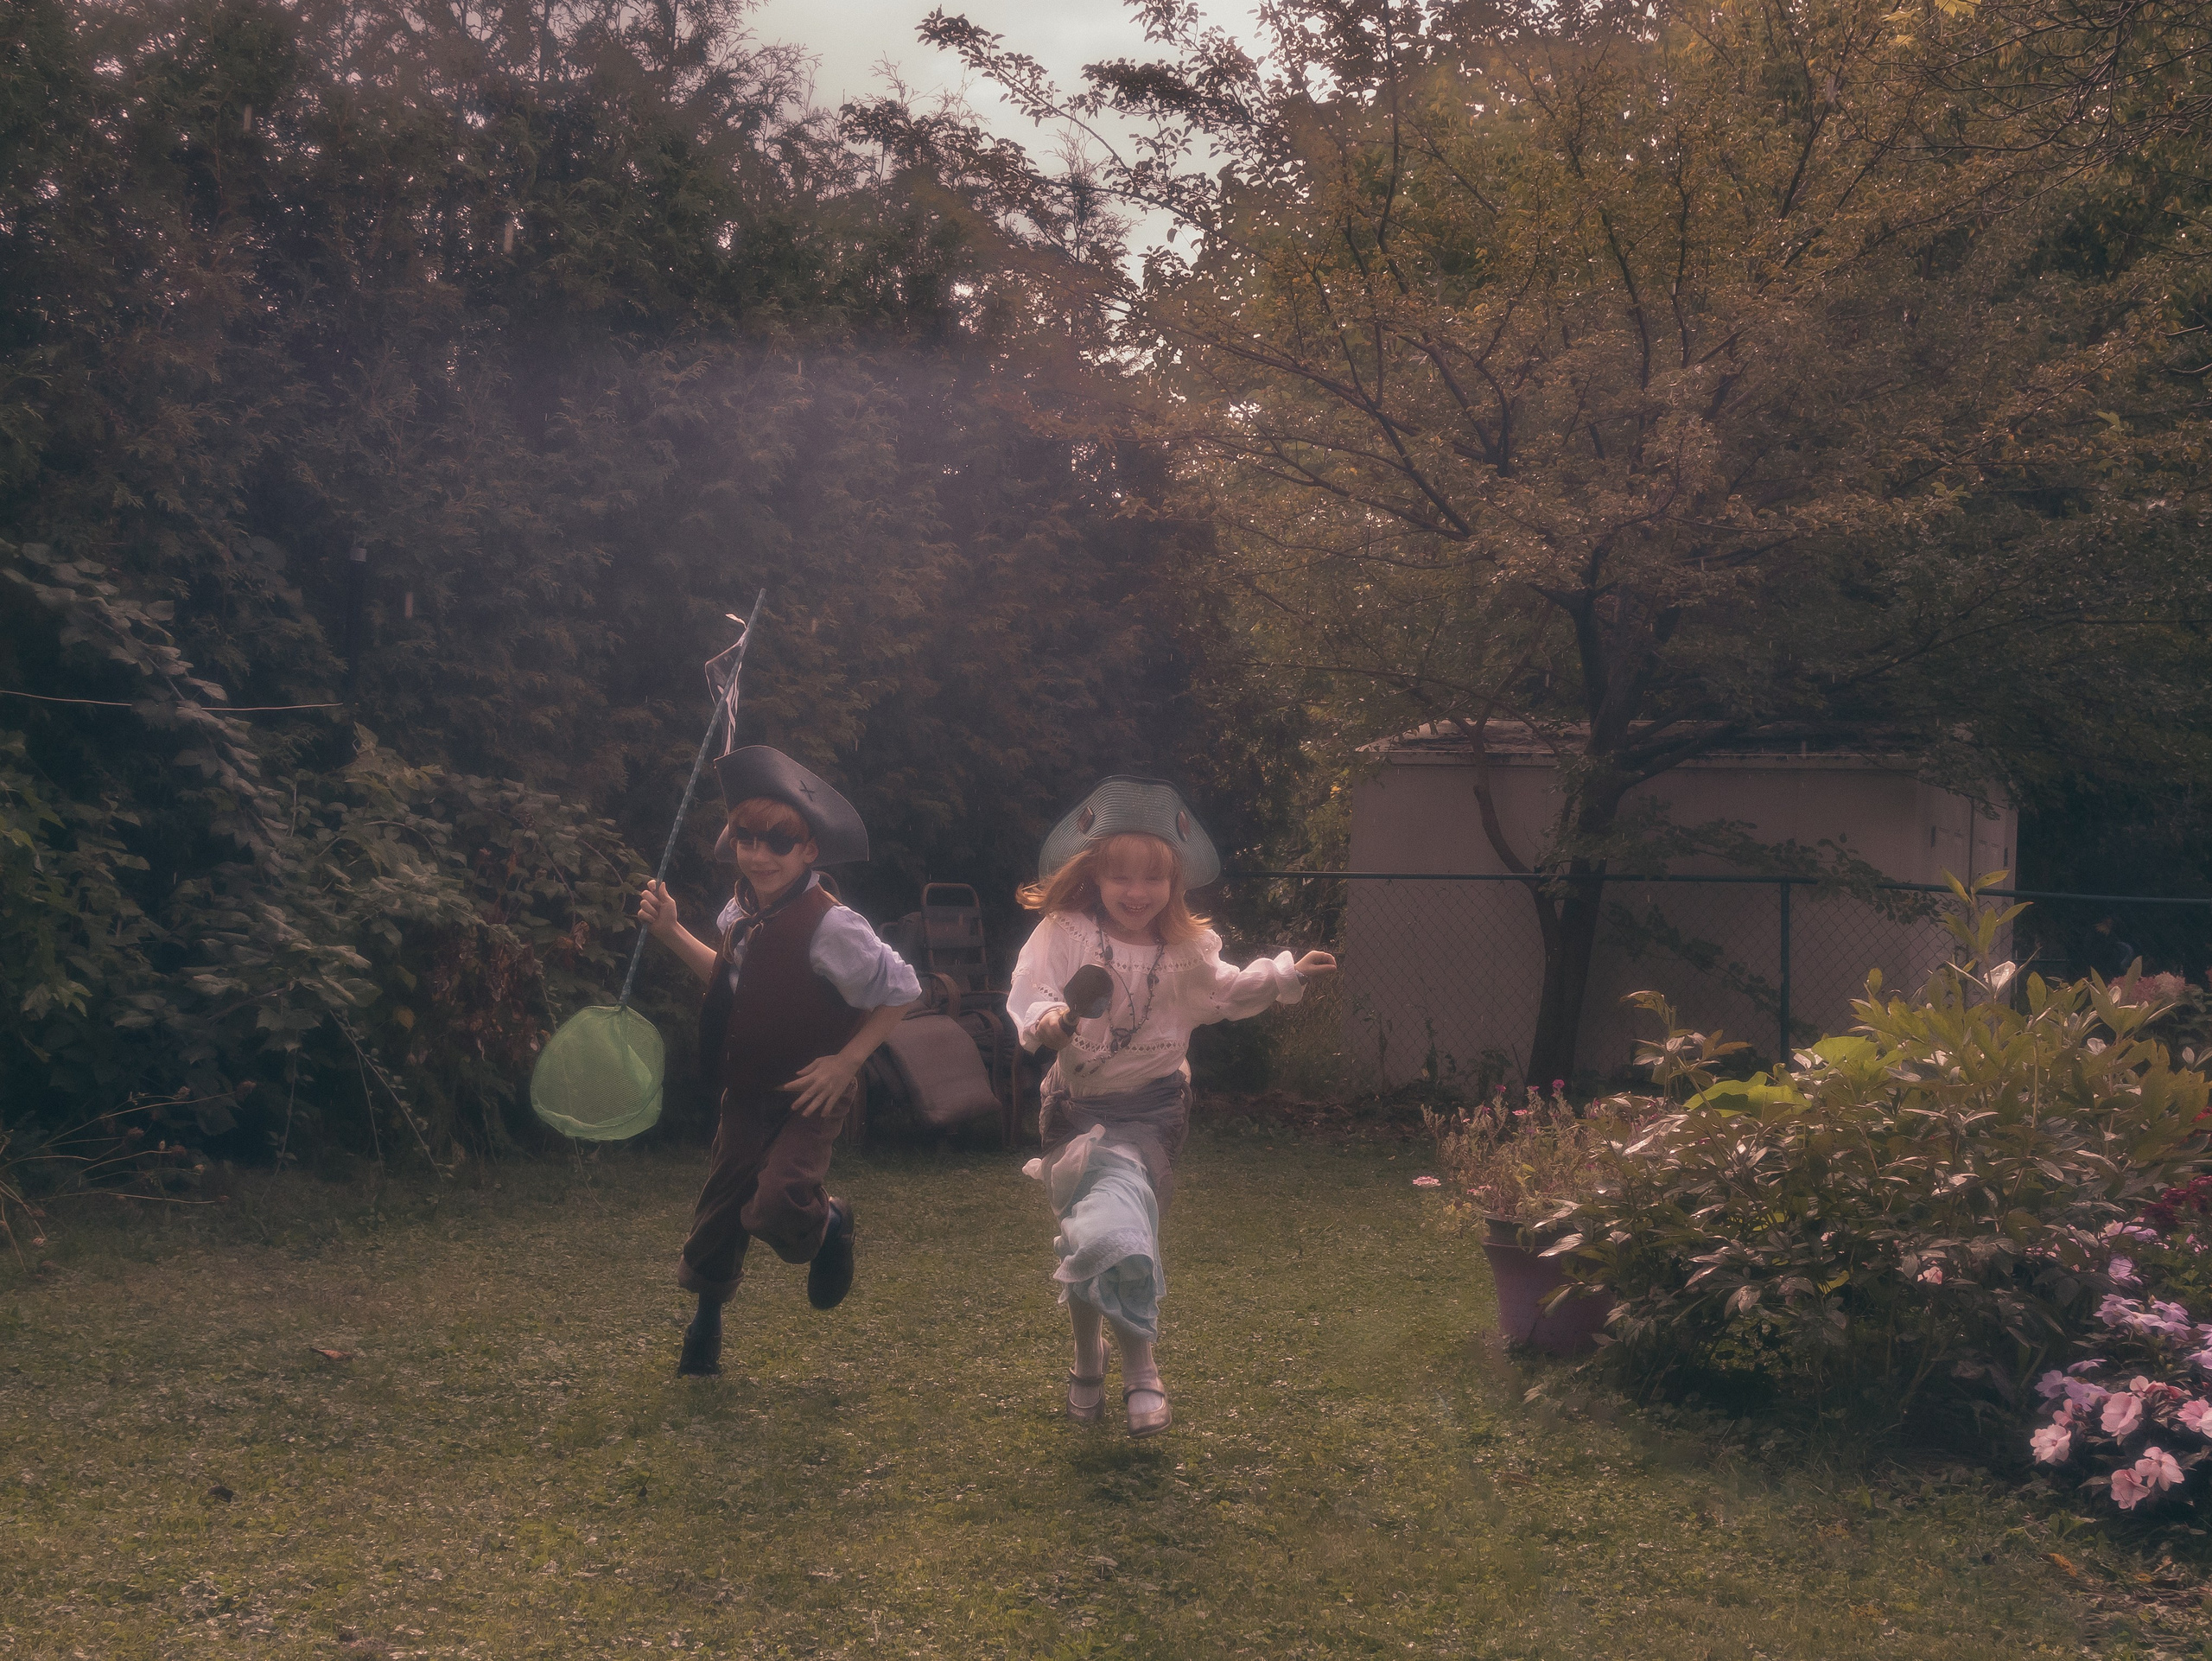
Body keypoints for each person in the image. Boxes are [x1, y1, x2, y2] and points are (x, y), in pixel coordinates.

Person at [1007, 777, 1335, 1437]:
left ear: (1175, 884)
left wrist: (1286, 974)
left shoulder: (1186, 950)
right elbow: (1032, 993)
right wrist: (1048, 1020)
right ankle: (1087, 1358)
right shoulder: (1065, 933)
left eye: (1152, 879)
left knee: (1114, 1231)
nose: (1136, 892)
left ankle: (1138, 1368)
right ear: (1093, 875)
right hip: (1072, 1111)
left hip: (1153, 1111)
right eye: (1120, 876)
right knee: (1089, 1236)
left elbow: (1226, 991)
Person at [638, 746, 918, 1378]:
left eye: (779, 841)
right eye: (745, 837)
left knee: (776, 1203)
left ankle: (830, 1224)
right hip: (748, 1087)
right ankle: (704, 1333)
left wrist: (846, 1064)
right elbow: (730, 981)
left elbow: (902, 992)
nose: (759, 854)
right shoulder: (738, 913)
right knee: (719, 1208)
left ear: (810, 850)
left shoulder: (835, 928)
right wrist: (671, 932)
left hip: (811, 1091)